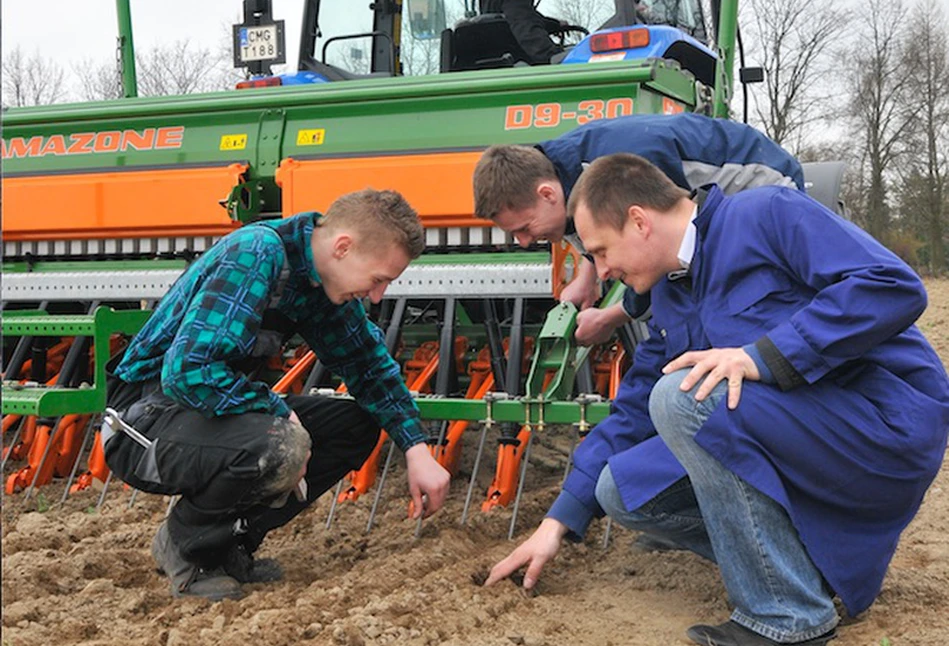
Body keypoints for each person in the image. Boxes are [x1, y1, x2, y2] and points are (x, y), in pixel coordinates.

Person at [485, 153, 949, 645]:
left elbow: (891, 285)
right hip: (806, 432)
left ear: (639, 221)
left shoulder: (768, 214)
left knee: (684, 398)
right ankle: (803, 574)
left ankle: (787, 617)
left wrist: (761, 357)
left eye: (600, 252)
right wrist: (559, 521)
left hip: (882, 423)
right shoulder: (671, 292)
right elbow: (635, 406)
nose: (602, 272)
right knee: (620, 490)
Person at [103, 189, 451, 601]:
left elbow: (368, 366)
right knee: (282, 442)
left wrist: (416, 447)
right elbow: (188, 373)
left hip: (203, 416)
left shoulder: (317, 283)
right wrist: (276, 410)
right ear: (343, 247)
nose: (377, 296)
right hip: (143, 423)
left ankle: (230, 545)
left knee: (352, 428)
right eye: (378, 280)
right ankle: (186, 546)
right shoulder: (256, 252)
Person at [472, 112, 804, 345]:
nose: (525, 242)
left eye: (525, 228)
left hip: (760, 182)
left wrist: (611, 317)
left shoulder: (620, 171)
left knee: (705, 307)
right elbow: (593, 230)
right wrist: (585, 280)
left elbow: (654, 260)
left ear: (546, 193)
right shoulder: (556, 173)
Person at [480, 0, 565, 64]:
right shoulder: (516, 3)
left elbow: (526, 17)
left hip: (499, 61)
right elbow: (530, 36)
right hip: (520, 66)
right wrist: (556, 56)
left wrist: (554, 24)